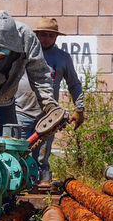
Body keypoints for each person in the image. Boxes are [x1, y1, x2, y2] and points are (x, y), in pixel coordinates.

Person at [14, 17, 85, 184]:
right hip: (21, 111)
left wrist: (79, 109)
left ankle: (43, 190)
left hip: (48, 117)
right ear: (36, 35)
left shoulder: (62, 58)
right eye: (42, 35)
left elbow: (74, 84)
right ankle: (17, 189)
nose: (45, 39)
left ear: (56, 37)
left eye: (50, 35)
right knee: (18, 152)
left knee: (42, 157)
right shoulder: (24, 54)